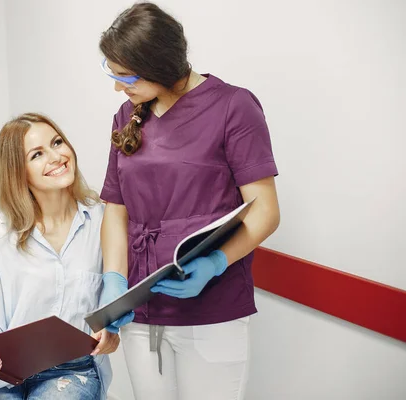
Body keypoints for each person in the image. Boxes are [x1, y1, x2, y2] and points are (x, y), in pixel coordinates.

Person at [97, 2, 281, 400]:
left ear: (159, 64)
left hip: (212, 308)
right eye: (110, 72)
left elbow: (265, 210)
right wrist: (114, 280)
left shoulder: (234, 107)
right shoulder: (127, 115)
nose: (116, 85)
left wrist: (215, 262)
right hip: (140, 309)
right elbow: (116, 208)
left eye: (124, 74)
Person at [0, 113, 119, 400]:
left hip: (72, 371)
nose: (56, 156)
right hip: (2, 375)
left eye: (57, 142)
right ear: (19, 172)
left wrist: (112, 330)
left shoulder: (102, 219)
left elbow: (116, 295)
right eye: (37, 154)